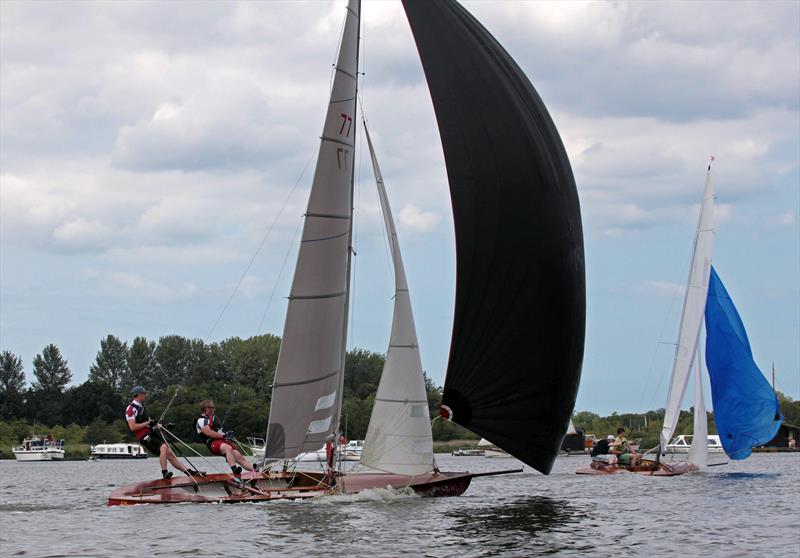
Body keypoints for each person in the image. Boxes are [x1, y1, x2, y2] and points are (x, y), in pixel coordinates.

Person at [125, 386, 201, 479]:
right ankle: (164, 472)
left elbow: (152, 424)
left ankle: (189, 473)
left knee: (171, 454)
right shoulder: (130, 409)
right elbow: (133, 427)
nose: (146, 395)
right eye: (144, 393)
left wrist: (165, 425)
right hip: (143, 436)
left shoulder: (142, 407)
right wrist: (148, 422)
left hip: (150, 433)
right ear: (138, 395)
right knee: (163, 447)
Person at [196, 399, 257, 475]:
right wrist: (224, 436)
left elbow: (221, 433)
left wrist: (228, 436)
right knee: (228, 448)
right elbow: (209, 433)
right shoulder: (202, 420)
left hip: (222, 442)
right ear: (206, 409)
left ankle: (257, 471)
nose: (214, 409)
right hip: (212, 443)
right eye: (212, 407)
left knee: (240, 457)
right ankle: (234, 470)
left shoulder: (213, 420)